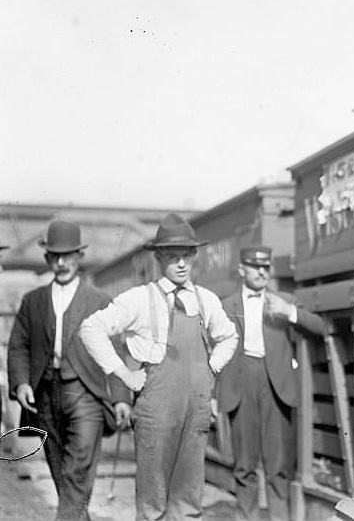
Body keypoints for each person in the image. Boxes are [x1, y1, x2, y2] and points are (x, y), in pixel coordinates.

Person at [79, 213, 238, 520]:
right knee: (153, 498)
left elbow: (229, 336)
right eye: (172, 257)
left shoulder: (205, 300)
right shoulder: (139, 299)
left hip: (196, 408)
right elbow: (91, 328)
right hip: (155, 408)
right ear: (159, 257)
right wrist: (123, 373)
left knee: (189, 494)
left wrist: (211, 367)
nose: (180, 264)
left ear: (194, 257)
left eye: (186, 257)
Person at [6, 220, 132, 520]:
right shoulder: (32, 301)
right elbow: (19, 345)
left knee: (78, 471)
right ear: (47, 259)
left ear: (80, 256)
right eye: (55, 256)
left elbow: (116, 351)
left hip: (86, 393)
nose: (62, 263)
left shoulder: (99, 301)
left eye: (68, 256)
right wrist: (22, 383)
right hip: (44, 397)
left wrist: (121, 397)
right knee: (61, 471)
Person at [215, 246, 327, 521]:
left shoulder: (283, 300)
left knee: (278, 466)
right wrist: (213, 393)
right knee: (244, 466)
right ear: (242, 270)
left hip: (275, 385)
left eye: (266, 267)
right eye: (256, 267)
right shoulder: (225, 305)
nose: (262, 272)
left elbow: (319, 328)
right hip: (240, 384)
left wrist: (289, 311)